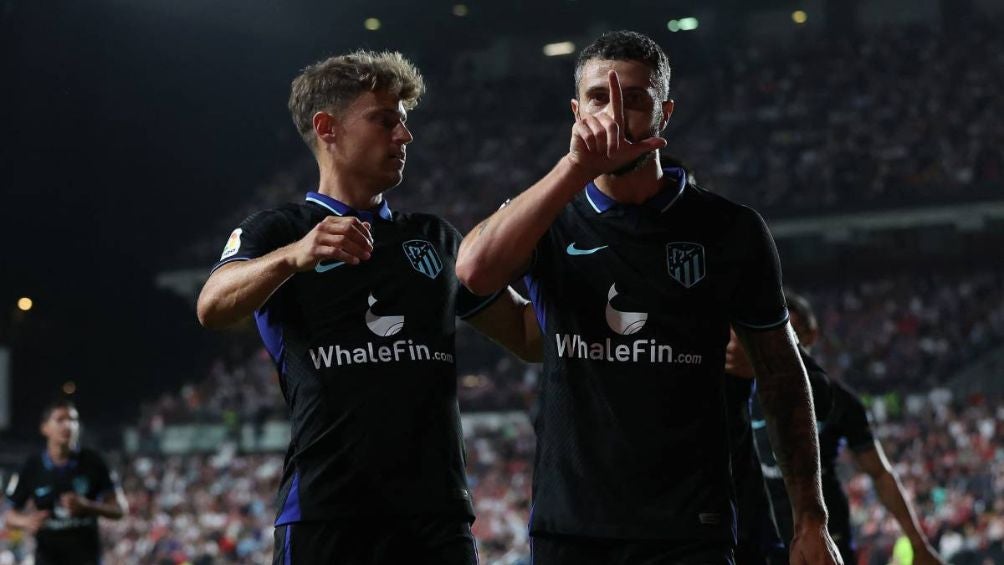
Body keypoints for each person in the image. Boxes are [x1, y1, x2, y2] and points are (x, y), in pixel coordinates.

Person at [456, 30, 840, 565]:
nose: (614, 113)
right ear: (575, 111)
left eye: (634, 98)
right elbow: (474, 273)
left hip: (690, 528)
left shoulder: (730, 229)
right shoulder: (549, 214)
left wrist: (811, 520)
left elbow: (781, 374)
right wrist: (575, 168)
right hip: (573, 528)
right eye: (598, 98)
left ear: (666, 112)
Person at [196, 50, 540, 564]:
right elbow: (212, 305)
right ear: (327, 128)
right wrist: (294, 256)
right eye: (385, 121)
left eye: (404, 123)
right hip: (327, 516)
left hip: (436, 518)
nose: (404, 136)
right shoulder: (279, 231)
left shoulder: (436, 239)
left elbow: (529, 337)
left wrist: (542, 231)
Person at [727, 290, 946, 565]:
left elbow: (879, 473)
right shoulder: (736, 392)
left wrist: (918, 543)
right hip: (760, 538)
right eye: (772, 331)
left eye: (791, 331)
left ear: (810, 336)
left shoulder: (839, 400)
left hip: (826, 537)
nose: (781, 341)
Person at [3, 398, 127, 565]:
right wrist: (27, 521)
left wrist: (88, 507)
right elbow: (8, 514)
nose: (67, 425)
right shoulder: (31, 467)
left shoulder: (94, 462)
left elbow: (120, 510)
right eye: (60, 420)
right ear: (45, 428)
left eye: (73, 420)